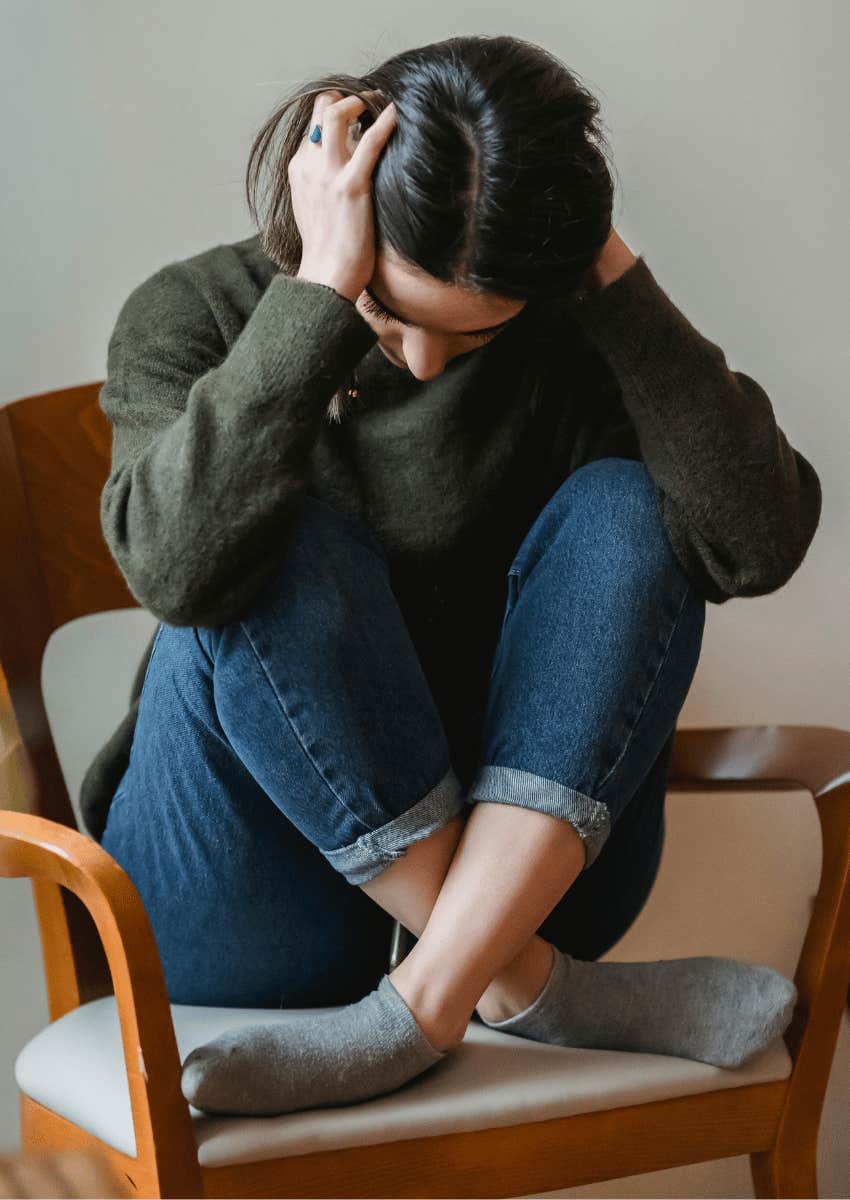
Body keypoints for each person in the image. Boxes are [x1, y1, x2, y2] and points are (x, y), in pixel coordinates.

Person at [84, 34, 821, 1117]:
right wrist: (318, 302)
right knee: (268, 536)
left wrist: (611, 280)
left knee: (633, 508)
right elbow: (175, 569)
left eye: (469, 339)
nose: (424, 362)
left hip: (528, 864)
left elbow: (751, 543)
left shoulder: (568, 332)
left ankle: (422, 1001)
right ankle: (521, 984)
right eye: (392, 312)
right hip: (238, 895)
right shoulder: (193, 314)